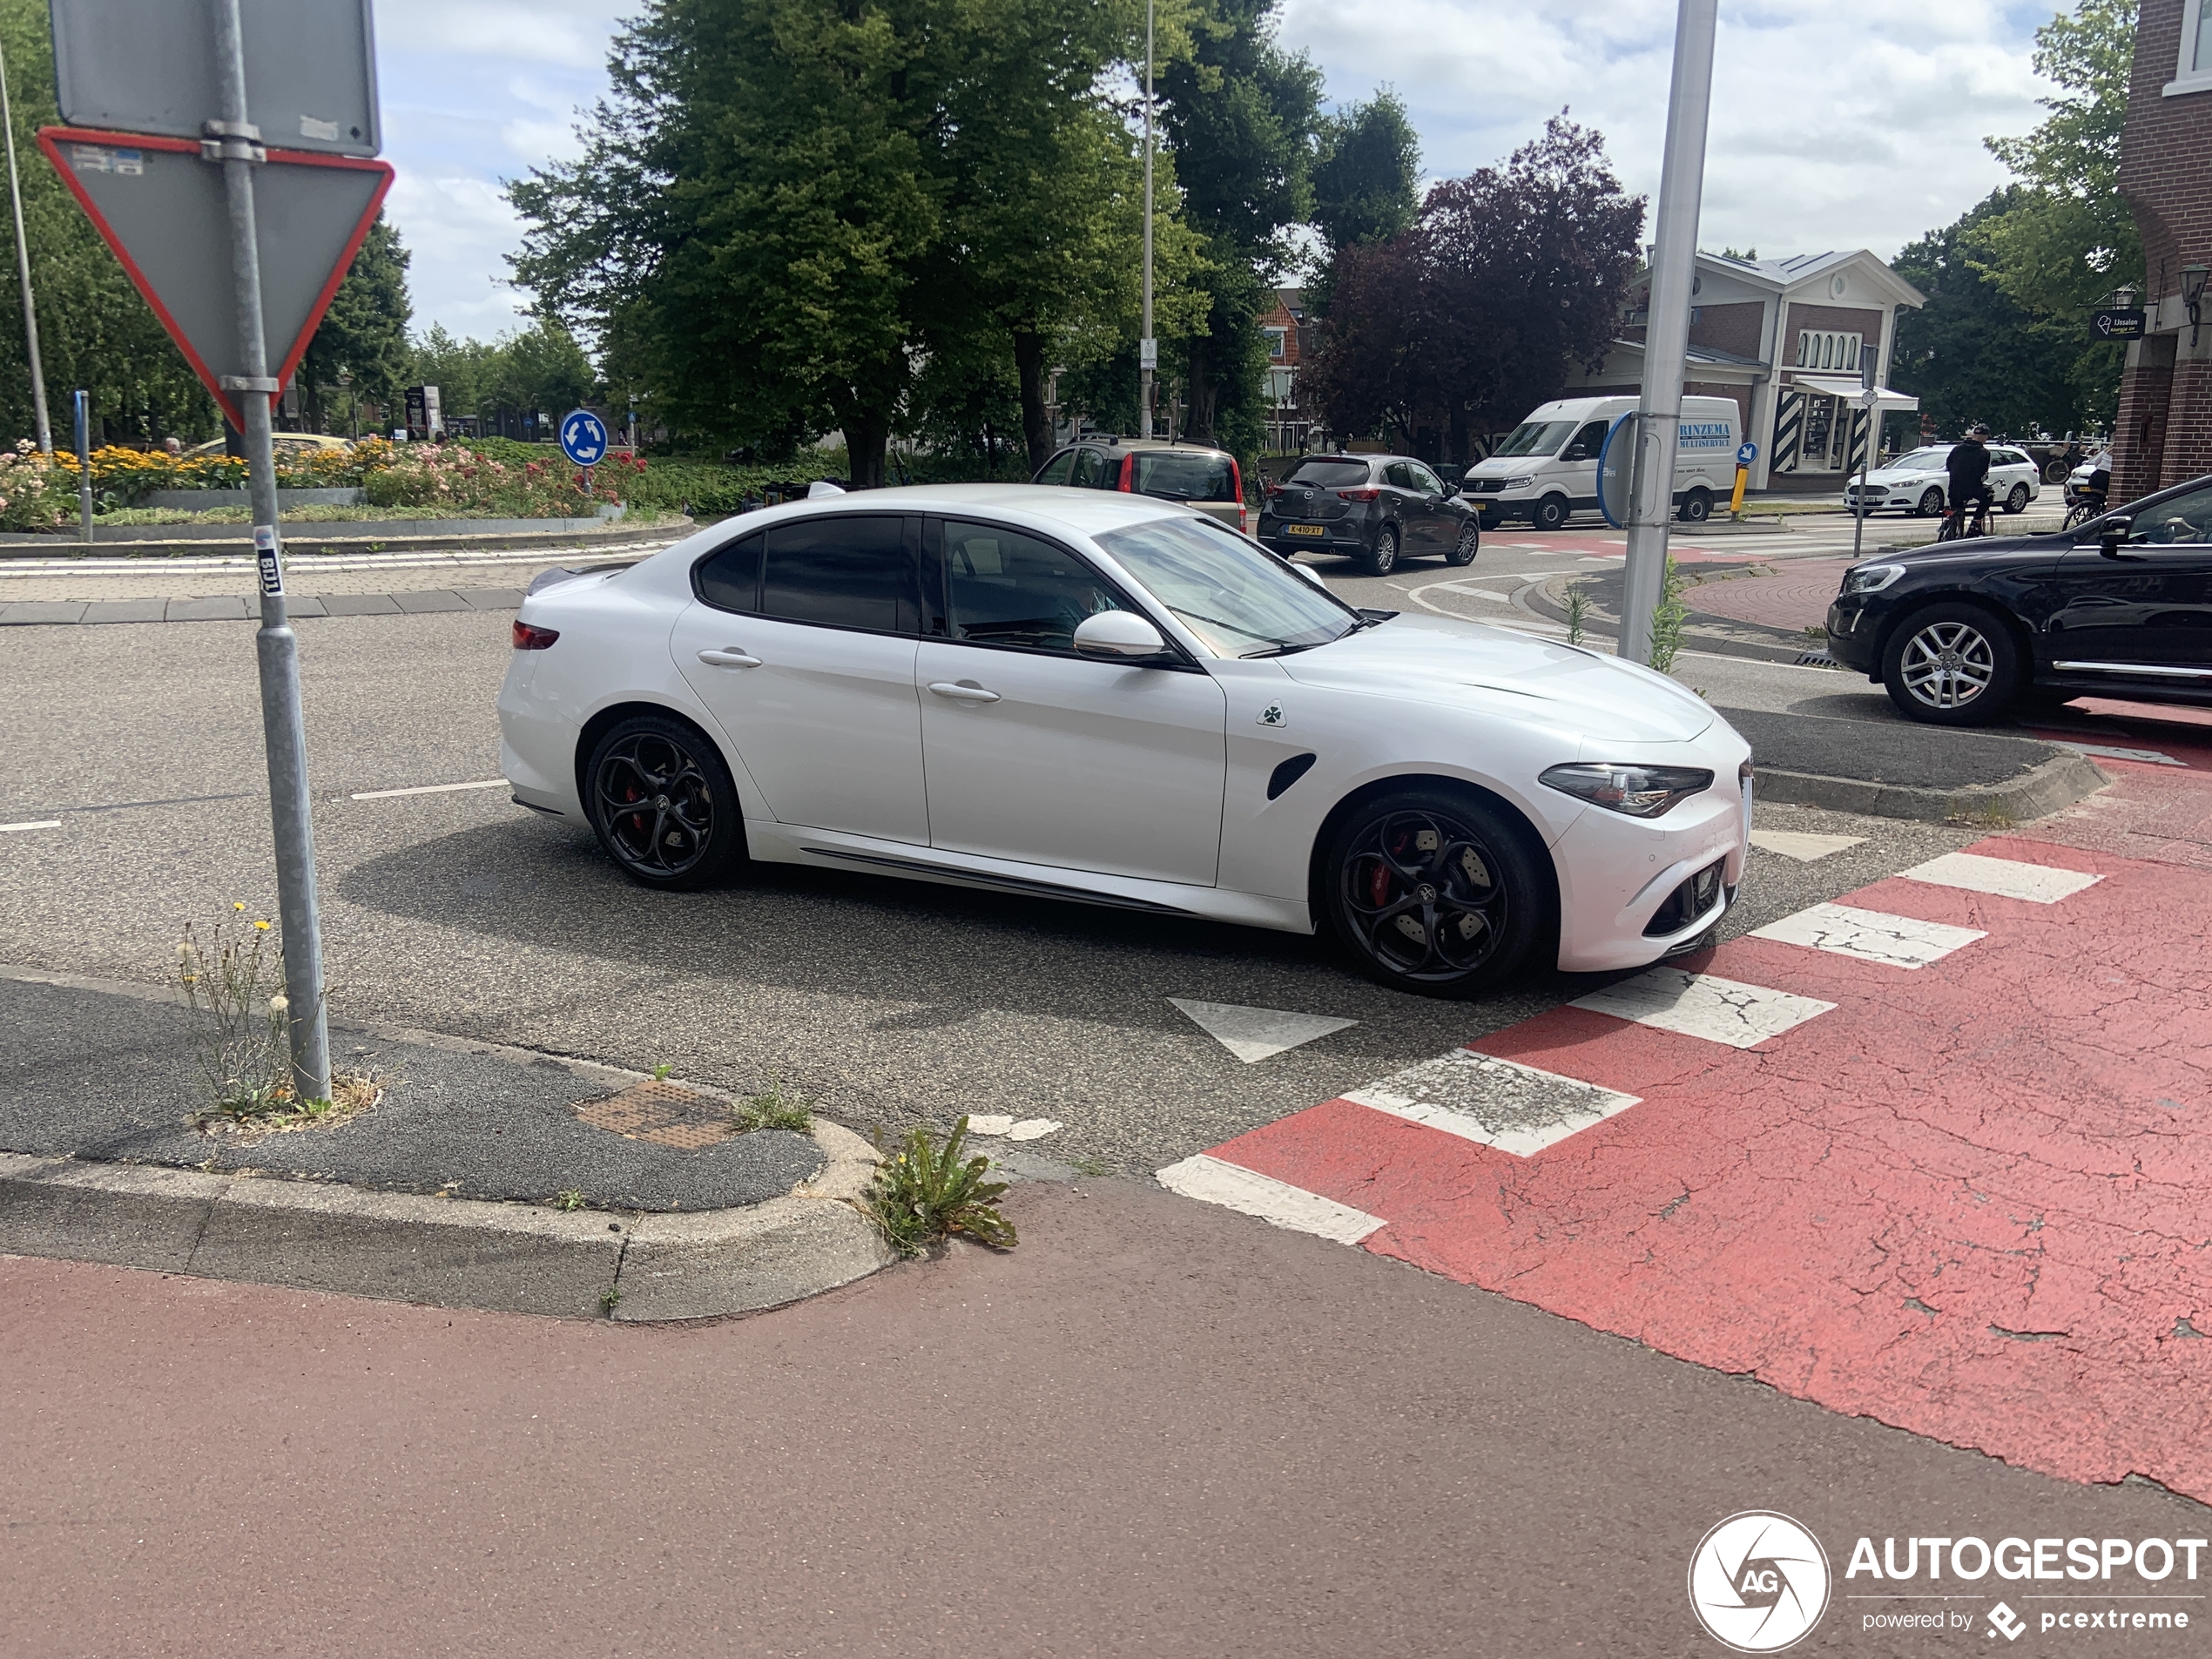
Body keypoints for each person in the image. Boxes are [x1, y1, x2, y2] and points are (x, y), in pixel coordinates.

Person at [1946, 425, 1993, 531]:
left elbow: (1948, 466)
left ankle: (1951, 531)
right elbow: (1983, 472)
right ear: (1984, 437)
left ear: (1973, 436)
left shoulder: (1957, 449)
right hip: (1972, 488)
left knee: (1955, 509)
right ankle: (1975, 522)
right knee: (1989, 495)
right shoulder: (1984, 453)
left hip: (1954, 488)